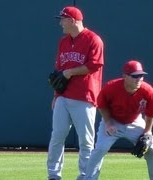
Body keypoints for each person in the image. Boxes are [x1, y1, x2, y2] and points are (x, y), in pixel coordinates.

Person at [47, 6, 104, 180]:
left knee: (86, 141)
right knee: (57, 137)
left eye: (63, 19)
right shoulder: (63, 42)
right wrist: (56, 95)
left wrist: (70, 72)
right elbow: (60, 71)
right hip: (63, 96)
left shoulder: (94, 39)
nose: (60, 24)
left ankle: (86, 176)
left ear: (72, 21)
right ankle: (54, 175)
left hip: (85, 97)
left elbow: (95, 65)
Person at [84, 60, 153, 180]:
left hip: (135, 121)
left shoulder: (147, 90)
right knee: (100, 149)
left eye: (141, 75)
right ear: (125, 76)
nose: (139, 79)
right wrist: (108, 122)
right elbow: (101, 105)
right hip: (113, 120)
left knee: (152, 150)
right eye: (135, 76)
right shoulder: (111, 87)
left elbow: (151, 113)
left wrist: (147, 132)